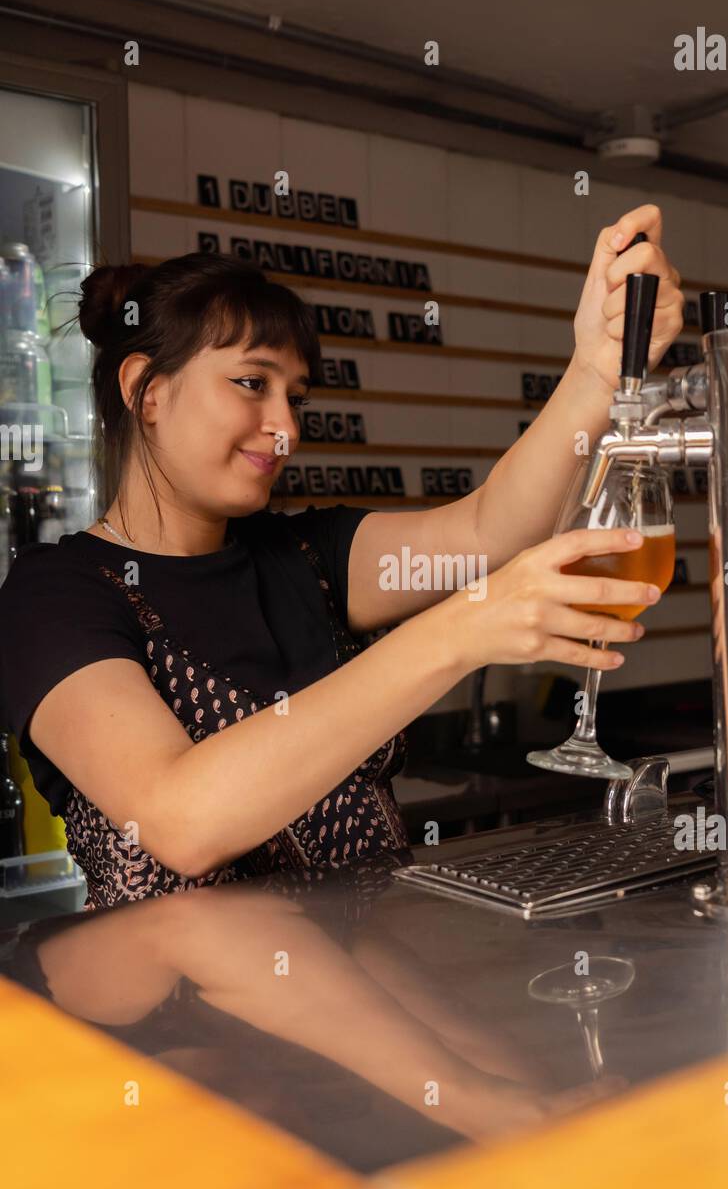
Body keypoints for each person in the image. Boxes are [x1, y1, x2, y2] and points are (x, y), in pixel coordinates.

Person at [0, 205, 683, 910]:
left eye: (295, 397)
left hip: (374, 982)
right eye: (251, 383)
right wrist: (461, 631)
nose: (286, 428)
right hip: (183, 1017)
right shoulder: (53, 597)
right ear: (147, 391)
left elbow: (487, 532)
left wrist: (597, 373)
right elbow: (182, 819)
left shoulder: (305, 554)